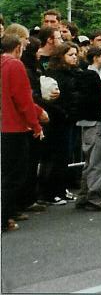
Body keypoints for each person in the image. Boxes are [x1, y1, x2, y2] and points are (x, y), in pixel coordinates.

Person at [2, 28, 48, 231]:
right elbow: (23, 100)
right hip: (14, 127)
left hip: (4, 125)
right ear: (18, 48)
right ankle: (5, 217)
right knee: (14, 175)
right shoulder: (15, 65)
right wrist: (36, 124)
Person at [40, 42, 81, 206]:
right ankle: (50, 192)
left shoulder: (73, 73)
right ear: (61, 56)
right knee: (55, 157)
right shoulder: (55, 74)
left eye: (75, 54)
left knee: (65, 156)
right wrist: (63, 112)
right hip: (57, 120)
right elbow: (50, 99)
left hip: (69, 119)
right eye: (70, 54)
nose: (74, 57)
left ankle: (61, 189)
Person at [75, 46, 101, 211]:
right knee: (97, 161)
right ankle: (94, 196)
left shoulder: (92, 75)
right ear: (96, 58)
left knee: (90, 161)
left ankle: (84, 194)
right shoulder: (91, 76)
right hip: (94, 121)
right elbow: (94, 99)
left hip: (88, 121)